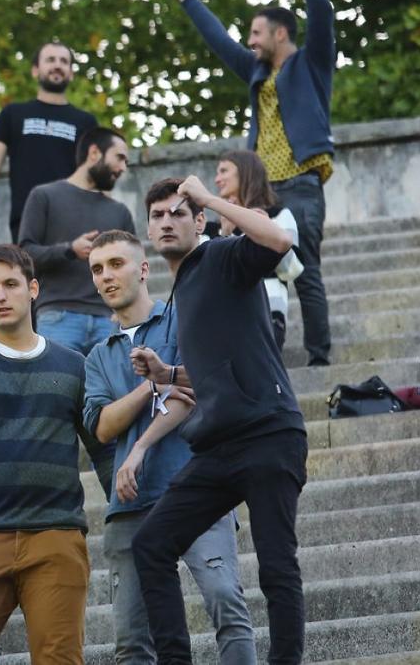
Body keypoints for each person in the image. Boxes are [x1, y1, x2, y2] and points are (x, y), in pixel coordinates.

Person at [132, 176, 306, 664]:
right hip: (219, 446)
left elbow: (279, 239)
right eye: (158, 216)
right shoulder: (184, 286)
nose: (167, 222)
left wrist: (208, 196)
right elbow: (214, 371)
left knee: (276, 565)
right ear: (148, 229)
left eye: (178, 213)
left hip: (268, 433)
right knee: (151, 544)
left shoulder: (222, 255)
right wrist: (167, 374)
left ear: (199, 221)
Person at [153, 0, 333, 366]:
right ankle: (266, 349)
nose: (249, 42)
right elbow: (220, 41)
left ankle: (320, 358)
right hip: (263, 192)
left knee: (304, 269)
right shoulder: (257, 72)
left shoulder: (312, 64)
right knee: (259, 265)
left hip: (301, 186)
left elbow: (321, 9)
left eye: (256, 34)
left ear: (280, 34)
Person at [83, 230, 256, 664]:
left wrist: (142, 439)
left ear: (143, 269)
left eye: (116, 264)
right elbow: (103, 427)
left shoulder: (183, 320)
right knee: (131, 642)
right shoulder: (98, 355)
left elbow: (195, 390)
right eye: (97, 269)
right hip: (130, 505)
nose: (106, 276)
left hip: (199, 484)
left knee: (226, 603)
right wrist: (152, 386)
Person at [0, 243, 112, 665]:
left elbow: (102, 448)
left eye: (11, 285)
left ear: (33, 289)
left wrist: (126, 512)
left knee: (59, 658)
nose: (0, 296)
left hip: (55, 534)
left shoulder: (73, 365)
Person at [0, 42, 98, 242]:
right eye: (50, 60)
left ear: (71, 73)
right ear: (35, 70)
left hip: (73, 220)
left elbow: (96, 173)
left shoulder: (86, 121)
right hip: (26, 219)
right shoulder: (13, 114)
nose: (57, 65)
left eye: (64, 61)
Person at [18, 127, 136, 355]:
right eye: (119, 158)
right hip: (57, 316)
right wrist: (69, 249)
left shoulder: (120, 211)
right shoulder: (44, 195)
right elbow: (24, 257)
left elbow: (135, 268)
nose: (123, 167)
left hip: (109, 320)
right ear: (94, 153)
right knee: (59, 380)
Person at [214, 151, 303, 349]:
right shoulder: (214, 227)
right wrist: (226, 234)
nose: (216, 179)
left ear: (245, 171)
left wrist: (266, 232)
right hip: (225, 319)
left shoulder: (279, 216)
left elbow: (292, 270)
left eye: (224, 171)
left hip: (268, 316)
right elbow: (214, 276)